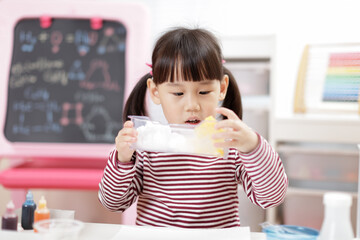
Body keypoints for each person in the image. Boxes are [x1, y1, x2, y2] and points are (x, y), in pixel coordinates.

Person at [98, 27, 288, 228]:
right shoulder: (146, 147)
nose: (192, 105)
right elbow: (113, 203)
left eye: (204, 91)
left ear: (222, 88)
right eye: (178, 94)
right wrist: (122, 160)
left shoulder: (230, 147)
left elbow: (271, 198)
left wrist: (253, 147)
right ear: (155, 92)